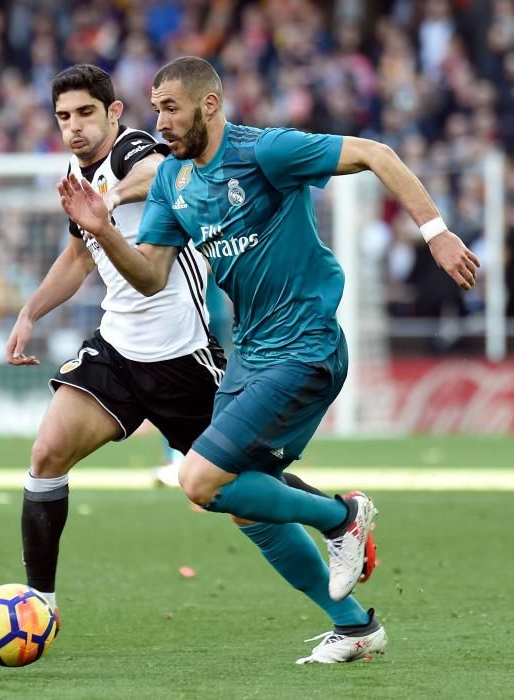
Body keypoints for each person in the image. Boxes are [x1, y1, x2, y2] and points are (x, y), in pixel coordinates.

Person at [58, 56, 478, 664]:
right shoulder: (173, 183)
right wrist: (106, 230)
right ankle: (355, 626)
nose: (161, 123)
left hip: (305, 344)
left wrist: (435, 231)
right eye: (155, 109)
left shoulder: (265, 152)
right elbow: (149, 276)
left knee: (196, 477)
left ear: (209, 105)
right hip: (249, 355)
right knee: (240, 502)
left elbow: (376, 154)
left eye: (170, 108)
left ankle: (342, 517)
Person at [10, 64, 377, 638]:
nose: (74, 127)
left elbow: (160, 171)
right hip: (117, 351)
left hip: (184, 358)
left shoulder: (137, 150)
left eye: (85, 113)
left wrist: (106, 198)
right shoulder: (79, 176)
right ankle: (39, 605)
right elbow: (80, 255)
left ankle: (347, 591)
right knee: (47, 453)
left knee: (242, 496)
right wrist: (31, 311)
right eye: (63, 117)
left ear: (113, 113)